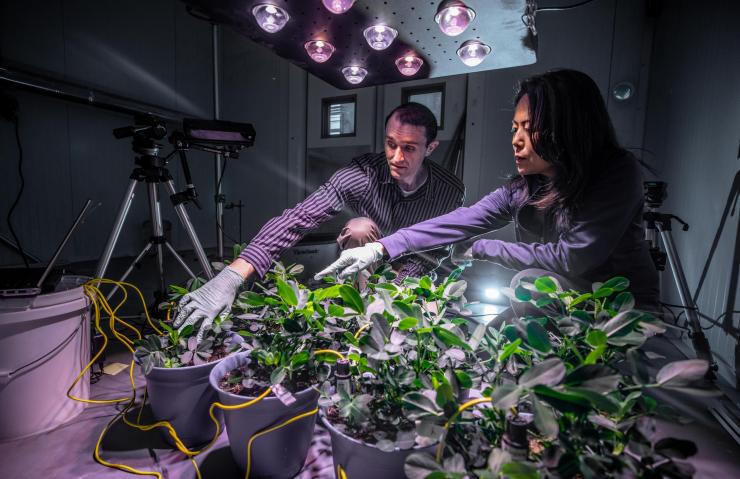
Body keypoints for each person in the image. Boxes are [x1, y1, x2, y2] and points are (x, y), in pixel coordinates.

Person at [316, 69, 659, 313]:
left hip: (617, 307)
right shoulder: (526, 187)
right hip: (559, 295)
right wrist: (380, 248)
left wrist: (482, 247)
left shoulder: (615, 172)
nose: (516, 139)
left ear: (568, 127)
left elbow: (572, 257)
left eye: (530, 128)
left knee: (528, 283)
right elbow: (461, 220)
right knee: (489, 339)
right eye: (514, 127)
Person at [174, 102, 465, 340]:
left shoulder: (448, 190)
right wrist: (234, 274)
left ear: (431, 147)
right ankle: (361, 313)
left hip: (412, 265)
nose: (396, 156)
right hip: (364, 261)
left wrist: (397, 288)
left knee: (418, 333)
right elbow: (298, 218)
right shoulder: (362, 174)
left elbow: (435, 251)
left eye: (410, 148)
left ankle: (384, 313)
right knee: (359, 228)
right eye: (390, 144)